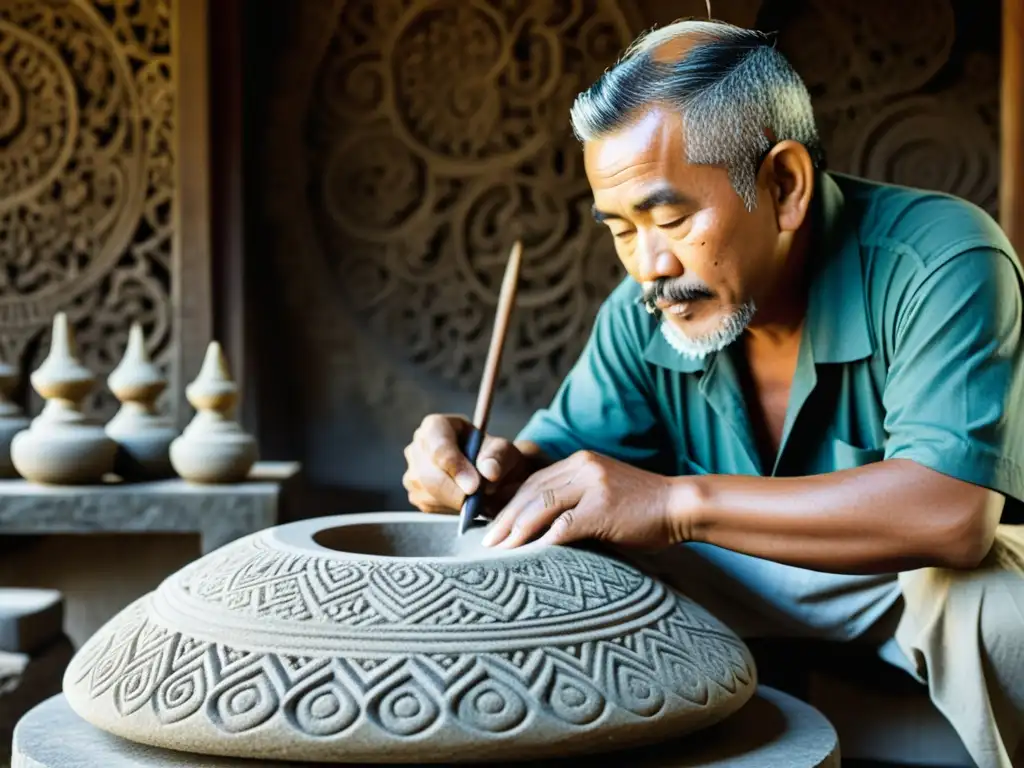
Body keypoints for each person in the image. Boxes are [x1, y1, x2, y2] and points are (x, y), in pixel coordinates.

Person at [401, 18, 1024, 768]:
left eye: (670, 218)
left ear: (784, 185)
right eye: (622, 229)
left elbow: (950, 515)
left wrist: (672, 504)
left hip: (906, 593)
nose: (649, 265)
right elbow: (554, 477)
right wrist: (483, 469)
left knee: (993, 604)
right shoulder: (644, 314)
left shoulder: (941, 257)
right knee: (555, 561)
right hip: (739, 600)